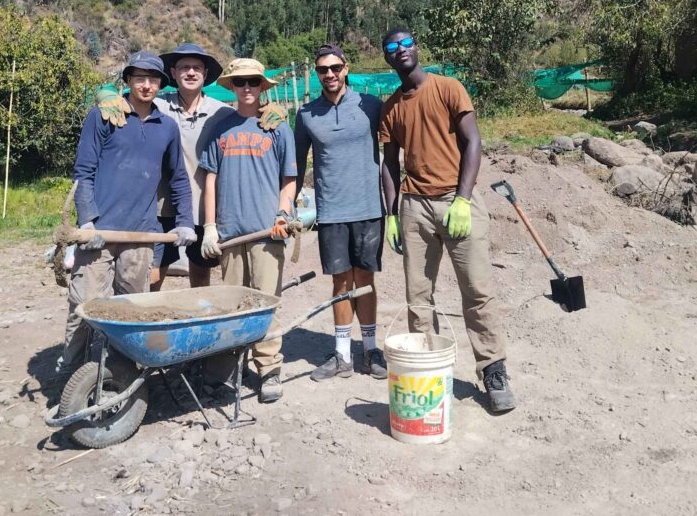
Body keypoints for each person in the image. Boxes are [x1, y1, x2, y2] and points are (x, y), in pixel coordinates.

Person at [378, 28, 516, 412]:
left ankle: (493, 370)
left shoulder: (448, 88)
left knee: (477, 290)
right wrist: (391, 214)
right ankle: (428, 370)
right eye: (392, 48)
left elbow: (473, 142)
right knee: (418, 298)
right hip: (414, 210)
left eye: (406, 44)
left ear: (417, 48)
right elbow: (389, 165)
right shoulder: (391, 108)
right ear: (387, 58)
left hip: (457, 202)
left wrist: (462, 199)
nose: (401, 51)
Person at [60, 51, 195, 373]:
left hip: (141, 235)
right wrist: (88, 221)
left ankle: (123, 374)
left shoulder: (167, 127)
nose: (146, 85)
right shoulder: (106, 115)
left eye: (152, 79)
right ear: (128, 81)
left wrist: (186, 223)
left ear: (161, 84)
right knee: (85, 306)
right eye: (139, 78)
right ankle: (71, 372)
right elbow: (84, 172)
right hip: (100, 233)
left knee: (131, 311)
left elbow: (178, 178)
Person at [153, 43, 290, 290]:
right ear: (173, 72)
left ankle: (201, 323)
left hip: (203, 208)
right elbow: (132, 99)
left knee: (201, 276)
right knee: (154, 274)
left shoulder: (222, 114)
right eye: (184, 67)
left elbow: (249, 118)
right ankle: (150, 325)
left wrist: (273, 110)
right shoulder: (159, 106)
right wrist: (107, 96)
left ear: (205, 74)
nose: (191, 73)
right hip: (165, 206)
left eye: (197, 67)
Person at [199, 58, 297, 403]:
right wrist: (210, 227)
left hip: (266, 234)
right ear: (231, 87)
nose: (247, 88)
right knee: (231, 306)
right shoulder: (220, 128)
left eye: (253, 82)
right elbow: (209, 179)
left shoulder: (277, 127)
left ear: (261, 85)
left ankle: (269, 370)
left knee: (265, 304)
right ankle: (224, 371)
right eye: (240, 83)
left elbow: (289, 179)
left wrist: (284, 214)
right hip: (230, 235)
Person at [295, 44, 387, 381]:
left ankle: (371, 350)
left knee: (365, 280)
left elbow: (397, 143)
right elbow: (293, 162)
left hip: (368, 209)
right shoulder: (306, 114)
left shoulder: (370, 106)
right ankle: (342, 355)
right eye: (323, 70)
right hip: (331, 211)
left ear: (346, 68)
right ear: (317, 74)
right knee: (340, 283)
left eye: (335, 68)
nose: (330, 74)